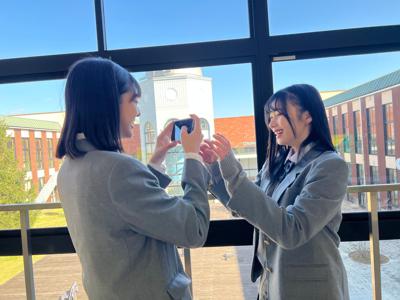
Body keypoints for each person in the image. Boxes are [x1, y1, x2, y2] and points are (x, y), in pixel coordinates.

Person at [56, 57, 210, 300]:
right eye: (133, 101)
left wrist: (156, 162)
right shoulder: (117, 169)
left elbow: (124, 209)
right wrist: (193, 157)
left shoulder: (69, 168)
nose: (138, 111)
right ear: (108, 103)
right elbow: (194, 229)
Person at [200, 84, 349, 300]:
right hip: (272, 284)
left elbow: (293, 230)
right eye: (270, 115)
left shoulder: (329, 166)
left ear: (307, 116)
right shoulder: (276, 163)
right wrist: (215, 168)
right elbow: (247, 208)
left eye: (279, 114)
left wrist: (233, 171)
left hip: (312, 291)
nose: (271, 123)